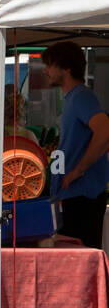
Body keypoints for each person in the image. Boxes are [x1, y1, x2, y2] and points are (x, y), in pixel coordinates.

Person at [41, 41, 109, 249]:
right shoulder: (73, 98)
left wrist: (79, 169)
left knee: (80, 255)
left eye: (50, 65)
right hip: (73, 194)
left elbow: (105, 131)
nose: (46, 71)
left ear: (66, 68)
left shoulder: (81, 96)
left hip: (83, 196)